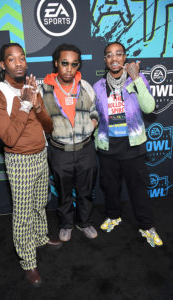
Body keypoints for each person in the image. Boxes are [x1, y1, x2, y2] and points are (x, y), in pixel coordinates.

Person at [0, 43, 61, 287]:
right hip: (19, 161)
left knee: (41, 203)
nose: (18, 63)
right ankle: (28, 262)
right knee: (22, 215)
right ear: (3, 65)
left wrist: (37, 104)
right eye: (11, 59)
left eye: (22, 58)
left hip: (41, 154)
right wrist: (25, 103)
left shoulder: (32, 88)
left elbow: (49, 127)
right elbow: (8, 137)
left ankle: (40, 238)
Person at [93, 41, 163, 247]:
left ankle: (147, 226)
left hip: (133, 146)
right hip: (108, 147)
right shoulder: (98, 86)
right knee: (110, 187)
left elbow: (149, 108)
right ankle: (114, 216)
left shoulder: (138, 79)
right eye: (109, 55)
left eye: (118, 54)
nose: (114, 58)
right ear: (105, 60)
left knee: (138, 189)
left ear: (124, 57)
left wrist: (135, 78)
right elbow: (96, 114)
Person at [39, 43, 99, 242]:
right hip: (59, 151)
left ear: (78, 66)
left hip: (85, 149)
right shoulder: (43, 90)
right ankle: (66, 224)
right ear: (56, 63)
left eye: (74, 64)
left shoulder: (86, 86)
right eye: (64, 63)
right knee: (63, 193)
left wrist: (93, 122)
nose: (69, 68)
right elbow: (37, 120)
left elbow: (94, 111)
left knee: (86, 191)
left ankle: (85, 222)